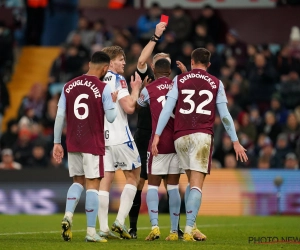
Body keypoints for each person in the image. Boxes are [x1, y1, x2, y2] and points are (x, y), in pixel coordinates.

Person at [152, 48, 248, 241]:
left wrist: (157, 135)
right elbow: (226, 116)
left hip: (180, 137)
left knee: (189, 182)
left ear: (192, 61)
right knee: (197, 184)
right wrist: (235, 141)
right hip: (202, 136)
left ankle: (192, 226)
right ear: (209, 65)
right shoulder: (216, 83)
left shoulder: (180, 79)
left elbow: (167, 110)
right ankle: (188, 230)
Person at [128, 22, 186, 239]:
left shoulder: (149, 87)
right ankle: (134, 227)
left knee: (159, 183)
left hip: (156, 137)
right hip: (146, 135)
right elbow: (141, 60)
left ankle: (166, 227)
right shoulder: (155, 78)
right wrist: (155, 37)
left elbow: (137, 106)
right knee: (143, 182)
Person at [52, 51, 117, 243]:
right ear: (105, 68)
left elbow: (59, 117)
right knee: (93, 186)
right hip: (92, 142)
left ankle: (68, 216)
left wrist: (57, 142)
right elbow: (112, 118)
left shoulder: (68, 86)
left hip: (73, 142)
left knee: (77, 182)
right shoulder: (103, 87)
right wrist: (112, 103)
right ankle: (90, 232)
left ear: (90, 63)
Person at [97, 46, 142, 240]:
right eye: (120, 59)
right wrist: (136, 89)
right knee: (134, 177)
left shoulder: (96, 81)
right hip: (121, 138)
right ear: (111, 63)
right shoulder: (117, 79)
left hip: (102, 139)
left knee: (105, 182)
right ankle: (120, 221)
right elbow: (130, 107)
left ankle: (104, 228)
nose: (124, 62)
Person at [137, 58, 183, 241]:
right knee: (173, 187)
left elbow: (139, 105)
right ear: (170, 71)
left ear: (154, 70)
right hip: (175, 142)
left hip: (157, 142)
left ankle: (155, 227)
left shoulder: (149, 90)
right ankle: (173, 231)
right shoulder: (179, 86)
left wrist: (142, 87)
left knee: (153, 186)